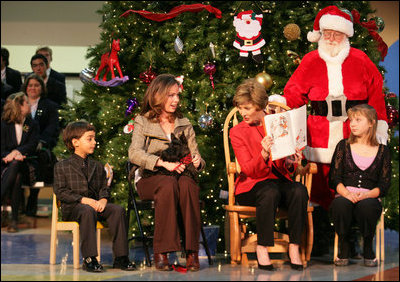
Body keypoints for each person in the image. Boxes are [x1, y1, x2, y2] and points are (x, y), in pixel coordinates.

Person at [269, 5, 389, 255]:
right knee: (318, 187)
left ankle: (350, 241)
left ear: (346, 35)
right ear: (320, 34)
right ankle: (318, 242)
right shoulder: (311, 60)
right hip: (319, 133)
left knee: (352, 185)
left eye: (337, 33)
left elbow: (376, 93)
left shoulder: (360, 59)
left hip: (353, 132)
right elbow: (294, 92)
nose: (332, 38)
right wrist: (282, 104)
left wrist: (378, 128)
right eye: (328, 33)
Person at [229, 78, 309, 271]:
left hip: (277, 182)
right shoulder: (237, 132)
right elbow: (248, 170)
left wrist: (292, 161)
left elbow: (285, 163)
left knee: (299, 190)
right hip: (250, 186)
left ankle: (294, 247)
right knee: (270, 190)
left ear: (259, 105)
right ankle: (262, 247)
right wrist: (263, 154)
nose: (242, 113)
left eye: (247, 108)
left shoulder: (276, 123)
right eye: (240, 108)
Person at [128, 74, 205, 271]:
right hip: (150, 176)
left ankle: (191, 251)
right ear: (158, 95)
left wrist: (198, 161)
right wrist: (161, 163)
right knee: (167, 184)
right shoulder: (142, 121)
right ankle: (161, 251)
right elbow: (134, 154)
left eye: (177, 95)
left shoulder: (184, 122)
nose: (176, 100)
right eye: (171, 95)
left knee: (188, 186)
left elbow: (196, 154)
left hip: (181, 174)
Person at [53, 120, 136, 273]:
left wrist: (103, 199)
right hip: (74, 208)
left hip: (94, 206)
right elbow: (61, 191)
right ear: (75, 142)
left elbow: (104, 188)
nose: (94, 142)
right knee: (87, 210)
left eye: (94, 139)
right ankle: (90, 258)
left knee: (117, 210)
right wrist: (84, 200)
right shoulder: (62, 166)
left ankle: (121, 257)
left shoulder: (97, 166)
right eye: (89, 139)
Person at [329, 104, 391, 267]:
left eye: (358, 120)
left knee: (367, 206)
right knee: (340, 204)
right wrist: (348, 194)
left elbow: (384, 184)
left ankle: (368, 247)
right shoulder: (343, 146)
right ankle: (344, 245)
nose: (353, 124)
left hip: (369, 197)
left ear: (371, 123)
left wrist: (366, 195)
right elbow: (334, 178)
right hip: (345, 194)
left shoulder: (383, 151)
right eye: (351, 120)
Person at [1, 92, 39, 232]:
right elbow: (2, 149)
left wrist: (17, 152)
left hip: (25, 164)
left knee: (17, 166)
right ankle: (14, 221)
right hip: (5, 165)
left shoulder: (31, 124)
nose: (29, 104)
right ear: (19, 106)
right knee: (16, 177)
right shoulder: (5, 124)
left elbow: (33, 144)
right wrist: (10, 155)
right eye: (26, 103)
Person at [23, 74, 60, 217]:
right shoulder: (19, 102)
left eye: (36, 85)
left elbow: (52, 127)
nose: (33, 88)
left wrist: (40, 141)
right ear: (26, 87)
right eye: (30, 85)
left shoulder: (50, 106)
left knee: (41, 159)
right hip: (21, 145)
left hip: (41, 146)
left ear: (42, 88)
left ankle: (32, 201)